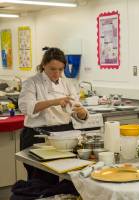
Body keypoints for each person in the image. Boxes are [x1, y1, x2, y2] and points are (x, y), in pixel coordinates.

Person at [13, 47, 88, 198]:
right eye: (53, 69)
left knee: (69, 179)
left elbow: (75, 109)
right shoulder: (32, 82)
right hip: (37, 136)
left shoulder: (67, 83)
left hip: (64, 136)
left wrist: (82, 113)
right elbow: (27, 108)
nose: (57, 74)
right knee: (41, 181)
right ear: (43, 65)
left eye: (61, 69)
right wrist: (55, 101)